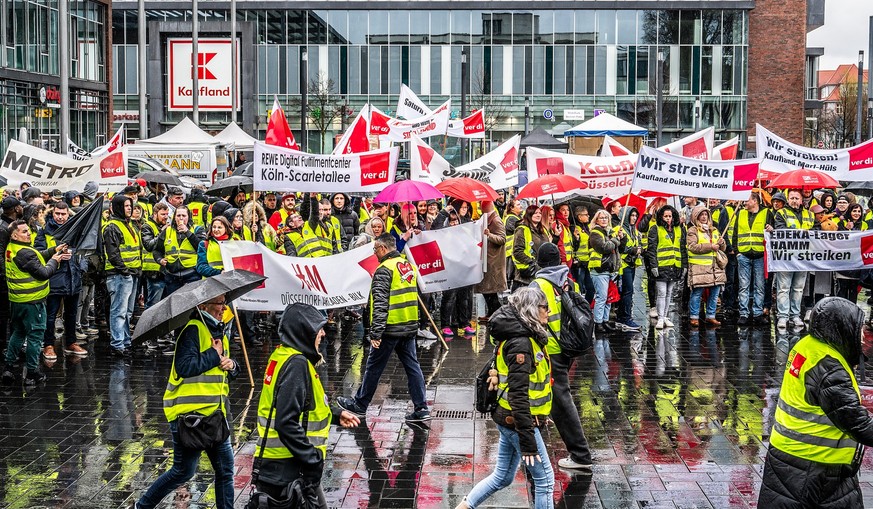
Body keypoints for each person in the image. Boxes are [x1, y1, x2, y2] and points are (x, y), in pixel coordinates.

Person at [758, 297, 873, 508]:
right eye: (858, 332)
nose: (862, 339)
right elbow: (858, 423)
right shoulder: (829, 367)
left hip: (793, 461)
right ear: (842, 329)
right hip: (815, 468)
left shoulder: (808, 346)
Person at [136, 295, 240, 509]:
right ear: (203, 305)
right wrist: (213, 355)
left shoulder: (219, 332)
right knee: (183, 471)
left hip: (215, 415)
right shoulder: (192, 330)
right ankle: (142, 506)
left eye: (224, 303)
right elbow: (185, 367)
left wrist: (232, 366)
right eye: (220, 303)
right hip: (190, 417)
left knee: (225, 470)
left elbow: (222, 369)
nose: (224, 308)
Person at [253, 303, 361, 507]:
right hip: (289, 467)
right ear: (303, 331)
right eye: (318, 328)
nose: (322, 334)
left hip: (283, 466)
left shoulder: (284, 355)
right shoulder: (297, 364)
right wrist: (312, 459)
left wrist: (336, 415)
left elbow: (304, 406)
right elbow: (286, 422)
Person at [456, 287, 555, 509]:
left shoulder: (519, 335)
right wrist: (528, 443)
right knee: (545, 479)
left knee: (503, 476)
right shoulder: (521, 343)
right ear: (531, 310)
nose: (549, 312)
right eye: (544, 307)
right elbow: (519, 396)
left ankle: (465, 506)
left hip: (510, 419)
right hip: (516, 421)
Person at [337, 234, 431, 423]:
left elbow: (380, 304)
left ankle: (360, 405)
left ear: (382, 248)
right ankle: (421, 408)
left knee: (373, 367)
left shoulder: (384, 270)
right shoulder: (407, 266)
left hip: (389, 328)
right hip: (408, 326)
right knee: (413, 367)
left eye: (375, 250)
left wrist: (376, 333)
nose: (374, 254)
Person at [530, 244, 593, 471]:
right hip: (567, 348)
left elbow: (531, 319)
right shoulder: (567, 279)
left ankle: (580, 455)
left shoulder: (538, 285)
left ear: (539, 262)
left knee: (561, 400)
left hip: (550, 350)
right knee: (550, 395)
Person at [0, 221, 68, 385]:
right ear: (14, 235)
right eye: (24, 232)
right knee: (35, 337)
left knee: (18, 333)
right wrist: (55, 261)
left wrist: (53, 250)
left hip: (18, 301)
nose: (29, 234)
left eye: (29, 231)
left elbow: (36, 257)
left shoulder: (13, 248)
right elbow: (44, 272)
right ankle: (32, 373)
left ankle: (8, 368)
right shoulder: (24, 252)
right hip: (32, 302)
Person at [34, 202, 88, 360]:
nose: (60, 216)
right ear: (53, 213)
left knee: (71, 314)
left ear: (68, 214)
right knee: (50, 315)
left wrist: (80, 267)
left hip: (73, 278)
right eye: (57, 213)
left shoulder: (75, 229)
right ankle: (48, 345)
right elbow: (38, 254)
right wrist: (55, 257)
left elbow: (83, 252)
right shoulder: (45, 231)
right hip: (55, 278)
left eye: (63, 214)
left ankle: (71, 342)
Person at [103, 195, 142, 357]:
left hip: (131, 274)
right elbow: (113, 254)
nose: (129, 208)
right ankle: (117, 343)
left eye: (130, 205)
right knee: (119, 310)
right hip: (119, 275)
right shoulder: (112, 227)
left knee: (127, 311)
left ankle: (125, 341)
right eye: (126, 206)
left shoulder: (129, 224)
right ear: (118, 207)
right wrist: (125, 270)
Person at [773, 189, 814, 329]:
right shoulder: (781, 213)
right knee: (783, 288)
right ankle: (783, 317)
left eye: (797, 198)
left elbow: (817, 231)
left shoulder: (809, 214)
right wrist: (802, 233)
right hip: (786, 257)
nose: (794, 201)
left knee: (798, 288)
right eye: (792, 198)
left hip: (803, 258)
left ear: (802, 200)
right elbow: (780, 230)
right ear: (787, 199)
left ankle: (795, 315)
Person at [733, 192, 771, 326]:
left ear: (755, 201)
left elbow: (772, 232)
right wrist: (737, 252)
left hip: (760, 255)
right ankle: (743, 314)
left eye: (747, 200)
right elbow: (735, 232)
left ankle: (757, 313)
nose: (744, 202)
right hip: (744, 255)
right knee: (744, 286)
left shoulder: (767, 213)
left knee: (759, 286)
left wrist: (771, 229)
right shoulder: (740, 213)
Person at [685, 205, 726, 327]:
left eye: (706, 215)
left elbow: (722, 249)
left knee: (714, 293)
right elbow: (692, 247)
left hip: (715, 268)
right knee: (697, 293)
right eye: (701, 215)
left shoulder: (714, 230)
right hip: (700, 268)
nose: (704, 217)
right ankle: (694, 316)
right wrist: (710, 247)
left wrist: (722, 243)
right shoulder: (693, 231)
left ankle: (711, 316)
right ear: (696, 217)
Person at [153, 206, 206, 296]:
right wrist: (160, 260)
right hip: (172, 275)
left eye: (184, 215)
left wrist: (187, 232)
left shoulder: (197, 229)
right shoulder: (167, 230)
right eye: (178, 215)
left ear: (188, 217)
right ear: (174, 217)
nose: (181, 218)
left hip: (192, 274)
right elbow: (156, 250)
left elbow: (202, 248)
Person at [646, 205, 685, 330]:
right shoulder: (655, 229)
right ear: (661, 217)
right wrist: (653, 265)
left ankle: (665, 316)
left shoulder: (679, 229)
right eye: (666, 216)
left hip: (675, 265)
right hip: (661, 265)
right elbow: (651, 249)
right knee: (662, 293)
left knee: (669, 293)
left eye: (670, 216)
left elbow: (683, 248)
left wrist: (684, 265)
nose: (668, 219)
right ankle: (661, 317)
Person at [588, 209, 624, 333]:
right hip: (599, 269)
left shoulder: (608, 233)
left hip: (608, 270)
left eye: (606, 218)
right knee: (601, 297)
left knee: (608, 298)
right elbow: (605, 248)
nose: (604, 220)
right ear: (596, 220)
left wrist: (619, 238)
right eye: (601, 218)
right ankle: (598, 323)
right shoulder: (595, 233)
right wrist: (615, 240)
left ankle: (605, 320)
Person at [474, 201, 507, 319]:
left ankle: (497, 314)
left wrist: (489, 235)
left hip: (494, 261)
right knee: (487, 289)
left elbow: (502, 239)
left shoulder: (496, 220)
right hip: (489, 259)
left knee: (490, 290)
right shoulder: (490, 219)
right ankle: (492, 314)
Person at [614, 206, 642, 332]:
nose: (634, 218)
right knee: (627, 291)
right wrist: (633, 250)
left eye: (635, 216)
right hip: (623, 264)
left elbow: (637, 243)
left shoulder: (633, 230)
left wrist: (639, 248)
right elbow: (619, 247)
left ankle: (621, 317)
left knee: (628, 291)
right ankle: (625, 318)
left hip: (632, 263)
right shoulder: (618, 229)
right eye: (632, 215)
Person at [511, 205, 550, 290]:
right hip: (526, 276)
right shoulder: (522, 230)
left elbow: (548, 248)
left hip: (541, 272)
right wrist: (532, 263)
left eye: (540, 213)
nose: (538, 215)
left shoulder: (543, 230)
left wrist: (556, 236)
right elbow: (517, 252)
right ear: (529, 214)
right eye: (535, 213)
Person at [141, 203, 170, 308]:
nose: (165, 217)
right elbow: (149, 245)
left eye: (167, 214)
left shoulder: (165, 226)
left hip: (165, 269)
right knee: (153, 304)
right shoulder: (147, 226)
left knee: (163, 305)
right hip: (153, 270)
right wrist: (162, 232)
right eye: (163, 214)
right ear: (155, 214)